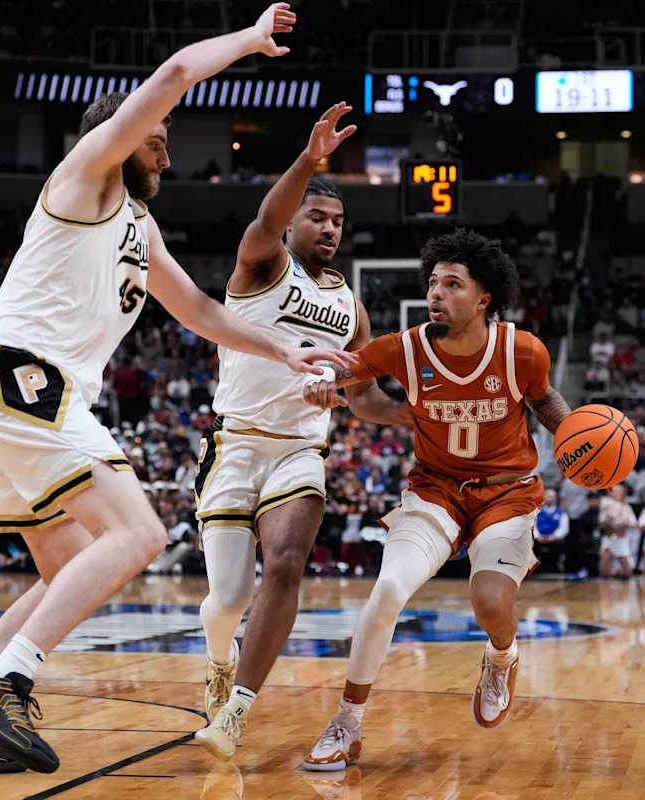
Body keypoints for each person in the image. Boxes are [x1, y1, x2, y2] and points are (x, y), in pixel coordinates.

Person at [0, 5, 355, 777]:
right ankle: (6, 682)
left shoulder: (139, 228)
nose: (168, 157)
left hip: (22, 396)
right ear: (122, 133)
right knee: (142, 535)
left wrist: (287, 348)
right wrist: (249, 41)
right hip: (25, 377)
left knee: (68, 570)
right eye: (159, 140)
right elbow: (176, 74)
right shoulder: (87, 172)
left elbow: (204, 313)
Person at [298, 228, 573, 770]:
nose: (437, 293)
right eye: (433, 282)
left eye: (453, 283)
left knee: (491, 605)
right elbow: (350, 368)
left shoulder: (522, 351)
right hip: (435, 489)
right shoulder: (405, 347)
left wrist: (574, 436)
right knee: (388, 589)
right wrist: (325, 377)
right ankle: (347, 721)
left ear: (483, 297)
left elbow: (546, 402)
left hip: (506, 494)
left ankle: (501, 656)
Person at [194, 103, 409, 760]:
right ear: (291, 221)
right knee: (228, 598)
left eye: (339, 221)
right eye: (317, 216)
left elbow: (365, 396)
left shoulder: (351, 306)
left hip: (299, 451)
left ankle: (236, 713)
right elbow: (263, 218)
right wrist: (310, 160)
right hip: (235, 444)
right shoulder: (261, 264)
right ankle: (217, 664)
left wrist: (414, 415)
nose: (330, 228)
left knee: (286, 567)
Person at [598, 484, 636, 578]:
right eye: (615, 491)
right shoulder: (605, 504)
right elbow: (601, 522)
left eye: (620, 491)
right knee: (605, 572)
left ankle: (617, 573)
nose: (617, 493)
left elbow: (633, 524)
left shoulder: (627, 507)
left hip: (621, 539)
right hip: (608, 538)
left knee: (627, 573)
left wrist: (623, 523)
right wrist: (610, 521)